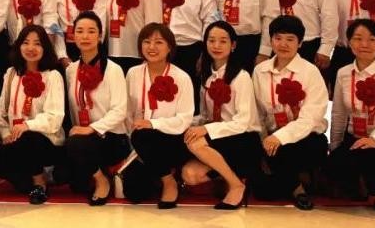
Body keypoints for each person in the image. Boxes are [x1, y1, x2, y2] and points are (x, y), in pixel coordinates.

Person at [180, 21, 262, 210]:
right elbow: (205, 115)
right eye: (211, 41)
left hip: (243, 140)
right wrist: (184, 122)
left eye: (223, 41)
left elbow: (243, 122)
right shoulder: (206, 75)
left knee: (195, 142)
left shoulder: (241, 77)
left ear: (233, 45)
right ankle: (228, 178)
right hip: (218, 138)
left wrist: (205, 129)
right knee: (189, 175)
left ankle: (236, 185)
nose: (216, 46)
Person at [252, 15, 329, 210]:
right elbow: (258, 113)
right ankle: (298, 182)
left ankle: (297, 190)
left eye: (290, 39)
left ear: (300, 43)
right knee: (262, 191)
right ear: (271, 41)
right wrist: (264, 138)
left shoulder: (310, 72)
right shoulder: (260, 71)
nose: (283, 44)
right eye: (278, 38)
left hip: (307, 138)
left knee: (286, 152)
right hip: (271, 140)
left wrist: (279, 138)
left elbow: (311, 118)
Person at [327, 19, 375, 212]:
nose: (364, 44)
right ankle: (364, 181)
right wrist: (335, 147)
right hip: (356, 139)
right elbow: (339, 114)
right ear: (349, 42)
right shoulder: (343, 73)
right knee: (334, 166)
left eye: (372, 39)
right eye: (358, 38)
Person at [0, 25, 65, 204]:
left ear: (45, 48)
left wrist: (26, 126)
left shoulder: (53, 76)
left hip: (45, 141)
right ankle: (35, 176)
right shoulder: (11, 74)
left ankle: (40, 182)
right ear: (19, 46)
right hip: (16, 140)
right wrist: (6, 134)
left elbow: (55, 117)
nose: (31, 48)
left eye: (37, 44)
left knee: (29, 138)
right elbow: (0, 113)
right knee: (2, 168)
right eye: (26, 43)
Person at [125, 23, 195, 208]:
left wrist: (153, 124)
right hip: (140, 144)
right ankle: (158, 173)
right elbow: (128, 113)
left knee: (143, 135)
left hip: (172, 141)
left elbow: (184, 119)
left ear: (170, 47)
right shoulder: (133, 73)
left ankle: (169, 181)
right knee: (134, 193)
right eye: (146, 42)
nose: (152, 47)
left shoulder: (181, 77)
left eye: (158, 42)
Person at [64, 11, 129, 206]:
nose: (85, 36)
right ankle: (97, 171)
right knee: (67, 178)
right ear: (73, 35)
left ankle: (102, 181)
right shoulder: (71, 70)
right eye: (80, 31)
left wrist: (92, 129)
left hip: (111, 138)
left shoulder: (113, 69)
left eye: (91, 31)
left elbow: (119, 110)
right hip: (84, 139)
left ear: (100, 36)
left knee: (76, 144)